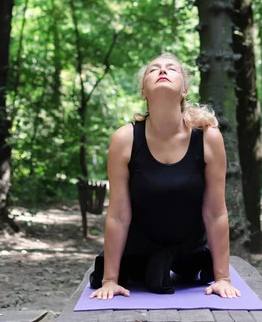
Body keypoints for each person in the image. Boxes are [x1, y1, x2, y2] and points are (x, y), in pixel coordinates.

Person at [89, 53, 241, 300]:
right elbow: (118, 214)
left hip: (190, 252)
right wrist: (110, 281)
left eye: (172, 69)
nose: (162, 71)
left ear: (184, 89)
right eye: (153, 70)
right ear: (143, 92)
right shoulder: (124, 139)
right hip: (138, 251)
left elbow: (215, 212)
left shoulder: (208, 138)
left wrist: (223, 278)